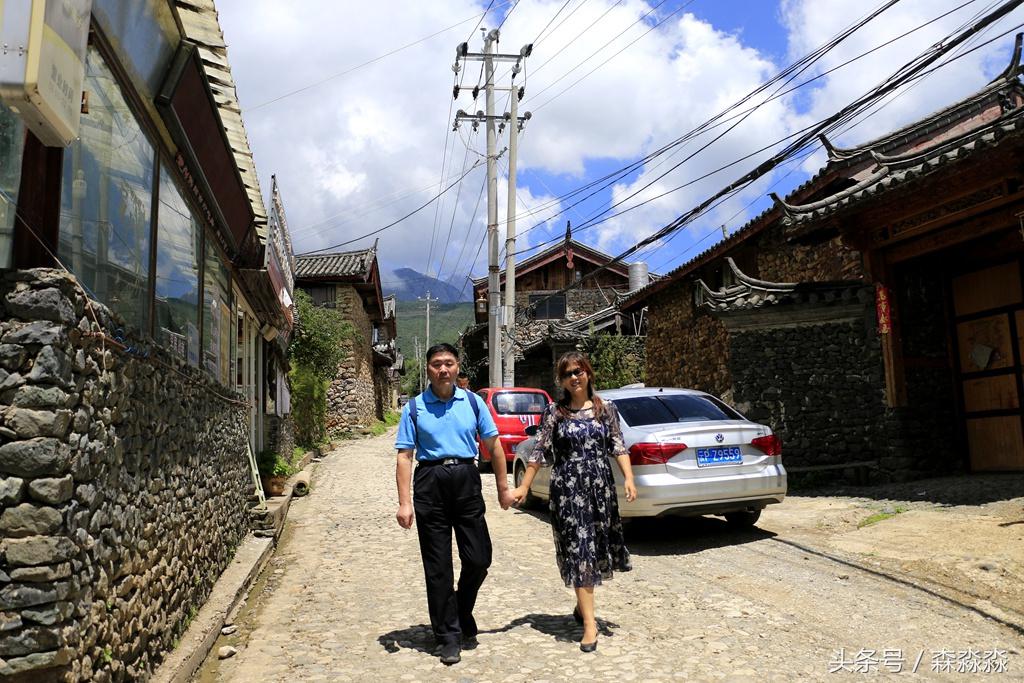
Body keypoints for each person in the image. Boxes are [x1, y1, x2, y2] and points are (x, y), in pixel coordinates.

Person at [395, 343, 514, 665]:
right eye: (436, 364)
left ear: (458, 366)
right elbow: (405, 456)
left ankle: (461, 609)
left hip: (466, 478)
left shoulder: (474, 403)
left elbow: (494, 446)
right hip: (430, 481)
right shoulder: (415, 408)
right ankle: (447, 636)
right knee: (438, 568)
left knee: (479, 558)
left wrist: (504, 488)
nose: (443, 369)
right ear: (429, 369)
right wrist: (404, 503)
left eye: (448, 363)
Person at [511, 351, 637, 653]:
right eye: (568, 373)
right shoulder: (555, 412)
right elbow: (538, 451)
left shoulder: (606, 409)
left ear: (588, 373)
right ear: (562, 380)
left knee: (595, 549)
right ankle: (590, 625)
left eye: (579, 371)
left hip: (599, 488)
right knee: (580, 551)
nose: (574, 377)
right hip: (567, 491)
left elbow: (618, 446)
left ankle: (583, 607)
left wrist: (629, 478)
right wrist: (524, 487)